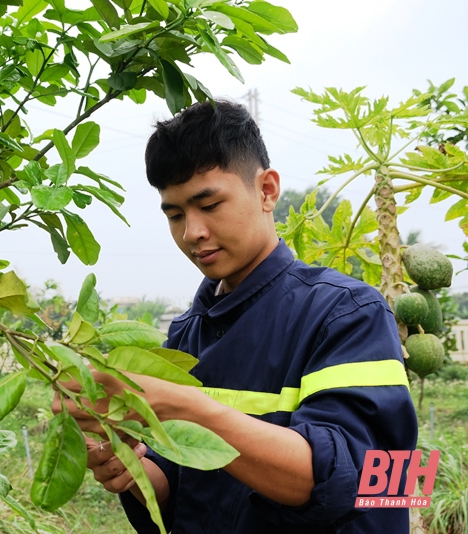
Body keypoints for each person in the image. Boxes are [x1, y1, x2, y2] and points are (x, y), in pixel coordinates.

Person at [54, 100, 418, 533]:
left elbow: (364, 481)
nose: (192, 232)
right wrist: (133, 468)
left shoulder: (347, 313)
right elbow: (184, 482)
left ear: (266, 190)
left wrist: (185, 406)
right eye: (174, 214)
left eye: (208, 205)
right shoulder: (187, 331)